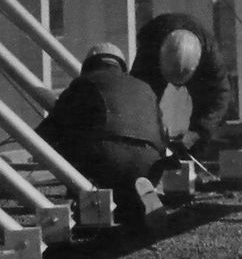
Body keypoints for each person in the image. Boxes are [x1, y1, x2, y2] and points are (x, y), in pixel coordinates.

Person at [35, 42, 167, 228]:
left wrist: (37, 142)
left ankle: (89, 200)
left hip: (105, 162)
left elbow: (53, 126)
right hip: (150, 164)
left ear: (89, 65)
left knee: (76, 144)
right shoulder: (144, 87)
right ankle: (138, 199)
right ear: (121, 65)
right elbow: (163, 134)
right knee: (127, 185)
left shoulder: (83, 83)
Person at [129, 11, 232, 152]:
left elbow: (220, 94)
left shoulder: (209, 55)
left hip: (198, 65)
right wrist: (155, 127)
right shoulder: (149, 52)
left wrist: (198, 131)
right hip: (155, 44)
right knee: (143, 105)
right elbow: (138, 97)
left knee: (204, 125)